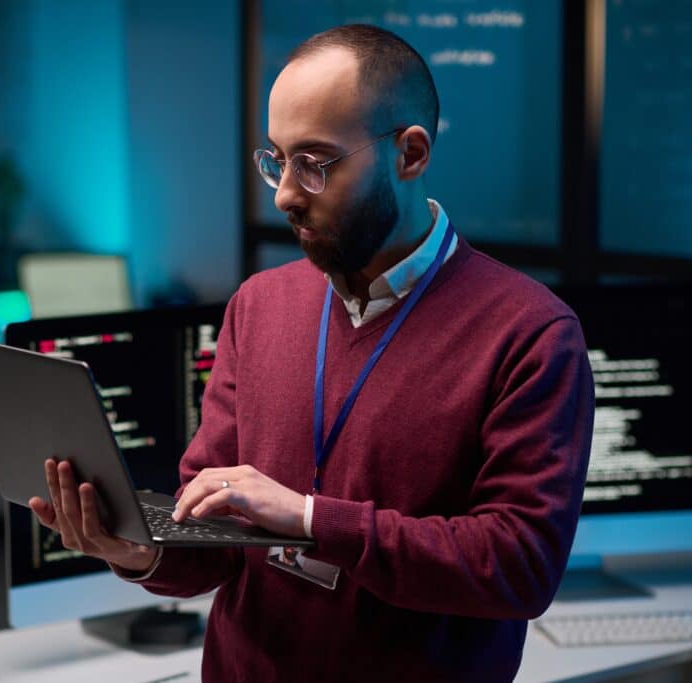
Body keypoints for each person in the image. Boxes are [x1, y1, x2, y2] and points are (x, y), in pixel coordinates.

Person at [30, 24, 594, 682]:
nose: (285, 194)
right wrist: (136, 550)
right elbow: (214, 539)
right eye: (277, 159)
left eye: (315, 163)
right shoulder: (259, 305)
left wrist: (308, 518)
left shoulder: (529, 332)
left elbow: (520, 566)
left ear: (410, 154)